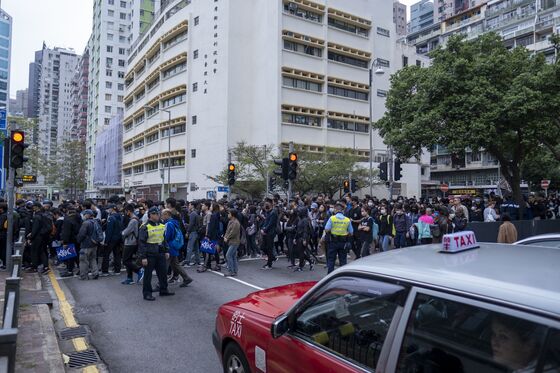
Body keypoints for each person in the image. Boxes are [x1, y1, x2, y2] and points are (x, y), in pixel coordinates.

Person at [138, 207, 174, 301]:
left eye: (158, 214)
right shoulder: (144, 226)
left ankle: (163, 290)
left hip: (160, 252)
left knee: (162, 273)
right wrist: (143, 257)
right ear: (151, 215)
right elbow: (141, 243)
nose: (159, 216)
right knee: (148, 275)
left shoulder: (161, 225)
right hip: (149, 254)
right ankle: (147, 293)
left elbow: (163, 239)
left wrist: (166, 250)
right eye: (156, 214)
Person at [162, 209, 192, 286]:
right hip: (174, 246)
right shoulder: (174, 222)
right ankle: (186, 278)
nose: (162, 216)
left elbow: (167, 236)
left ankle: (161, 283)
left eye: (163, 214)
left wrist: (162, 243)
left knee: (164, 265)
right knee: (175, 265)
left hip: (169, 247)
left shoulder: (168, 224)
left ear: (167, 214)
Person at [324, 202, 353, 274]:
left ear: (335, 210)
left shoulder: (332, 218)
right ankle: (344, 275)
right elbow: (351, 232)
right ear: (342, 210)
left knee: (331, 260)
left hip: (333, 242)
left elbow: (326, 229)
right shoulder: (347, 220)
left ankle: (330, 276)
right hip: (343, 243)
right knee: (343, 260)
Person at [121, 204, 143, 285]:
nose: (125, 213)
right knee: (129, 260)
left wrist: (122, 233)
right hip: (133, 242)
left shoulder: (133, 220)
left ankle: (139, 270)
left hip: (130, 242)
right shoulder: (136, 218)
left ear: (129, 211)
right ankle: (129, 278)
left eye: (125, 211)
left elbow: (126, 231)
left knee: (125, 260)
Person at [76, 210, 100, 280]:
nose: (83, 216)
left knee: (83, 260)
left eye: (84, 214)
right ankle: (95, 273)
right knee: (93, 259)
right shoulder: (96, 222)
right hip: (94, 244)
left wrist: (78, 240)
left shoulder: (86, 223)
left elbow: (82, 234)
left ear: (87, 215)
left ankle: (83, 276)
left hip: (86, 245)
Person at [101, 204, 123, 276]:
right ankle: (117, 270)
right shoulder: (120, 216)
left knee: (106, 254)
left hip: (111, 239)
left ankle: (105, 271)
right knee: (117, 254)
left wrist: (106, 241)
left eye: (109, 209)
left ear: (112, 209)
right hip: (119, 238)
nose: (108, 210)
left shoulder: (111, 218)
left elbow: (109, 231)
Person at [59, 207, 81, 277]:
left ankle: (69, 271)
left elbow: (66, 232)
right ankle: (80, 268)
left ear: (68, 212)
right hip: (77, 239)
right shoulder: (79, 218)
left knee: (70, 256)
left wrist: (65, 242)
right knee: (77, 255)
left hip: (70, 240)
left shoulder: (67, 220)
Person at [294, 208, 314, 272]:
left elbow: (305, 230)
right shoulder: (301, 219)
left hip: (303, 238)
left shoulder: (305, 220)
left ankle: (300, 266)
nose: (298, 213)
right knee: (300, 252)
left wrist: (304, 239)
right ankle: (310, 262)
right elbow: (298, 230)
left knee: (301, 252)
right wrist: (295, 238)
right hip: (299, 237)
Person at [260, 201, 278, 270]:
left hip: (270, 233)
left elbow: (271, 224)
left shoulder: (273, 213)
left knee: (269, 248)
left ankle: (269, 263)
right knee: (263, 247)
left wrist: (264, 230)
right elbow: (266, 222)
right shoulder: (268, 213)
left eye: (265, 206)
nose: (264, 208)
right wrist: (263, 229)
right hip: (266, 232)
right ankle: (272, 258)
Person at [223, 209, 241, 277]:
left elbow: (233, 233)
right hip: (231, 241)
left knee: (228, 255)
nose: (228, 214)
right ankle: (234, 271)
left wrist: (227, 237)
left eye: (229, 213)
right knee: (233, 256)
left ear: (232, 215)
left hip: (234, 241)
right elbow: (228, 231)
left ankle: (231, 271)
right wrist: (225, 236)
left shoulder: (236, 223)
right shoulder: (231, 221)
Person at [184, 202, 201, 267]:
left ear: (193, 206)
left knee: (189, 247)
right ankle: (198, 261)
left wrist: (188, 232)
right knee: (196, 248)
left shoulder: (192, 214)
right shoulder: (196, 213)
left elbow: (191, 224)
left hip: (192, 232)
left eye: (190, 205)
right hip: (196, 232)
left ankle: (187, 262)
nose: (188, 206)